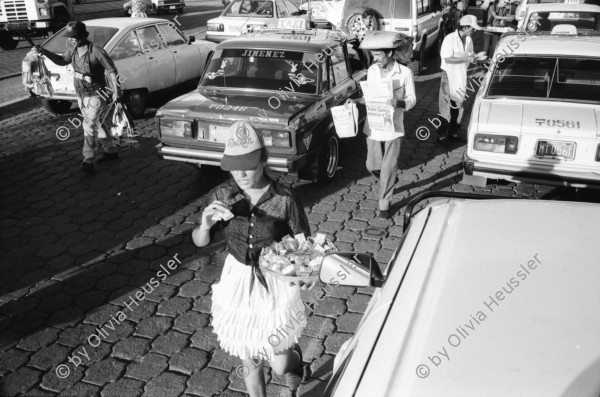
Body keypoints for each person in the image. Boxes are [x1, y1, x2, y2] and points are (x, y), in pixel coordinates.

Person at [192, 121, 311, 397]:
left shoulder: (285, 199)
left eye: (248, 164)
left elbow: (303, 247)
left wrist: (306, 273)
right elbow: (200, 242)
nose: (241, 173)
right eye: (234, 165)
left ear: (263, 160)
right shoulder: (223, 195)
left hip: (274, 281)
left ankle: (296, 362)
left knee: (279, 363)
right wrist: (205, 225)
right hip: (238, 280)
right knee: (251, 359)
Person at [347, 32, 416, 220]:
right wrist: (357, 101)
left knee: (388, 168)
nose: (374, 59)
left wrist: (399, 103)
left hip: (394, 126)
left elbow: (412, 99)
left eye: (378, 55)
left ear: (390, 54)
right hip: (374, 124)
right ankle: (389, 179)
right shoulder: (372, 71)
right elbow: (370, 96)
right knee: (372, 164)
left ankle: (384, 204)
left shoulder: (405, 73)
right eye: (373, 55)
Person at [34, 21, 120, 172]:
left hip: (96, 94)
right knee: (97, 122)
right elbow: (62, 61)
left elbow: (112, 71)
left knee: (89, 124)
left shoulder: (96, 51)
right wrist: (44, 52)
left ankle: (88, 159)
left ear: (82, 36)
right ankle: (110, 150)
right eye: (69, 38)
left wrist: (117, 91)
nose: (70, 40)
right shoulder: (72, 48)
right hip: (80, 93)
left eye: (73, 37)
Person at [437, 14, 486, 145]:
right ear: (465, 27)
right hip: (448, 75)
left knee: (458, 106)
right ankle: (442, 135)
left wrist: (478, 57)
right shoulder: (450, 39)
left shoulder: (469, 40)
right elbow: (447, 59)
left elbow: (470, 56)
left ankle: (453, 132)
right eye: (472, 28)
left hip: (461, 75)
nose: (474, 31)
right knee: (446, 106)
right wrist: (467, 59)